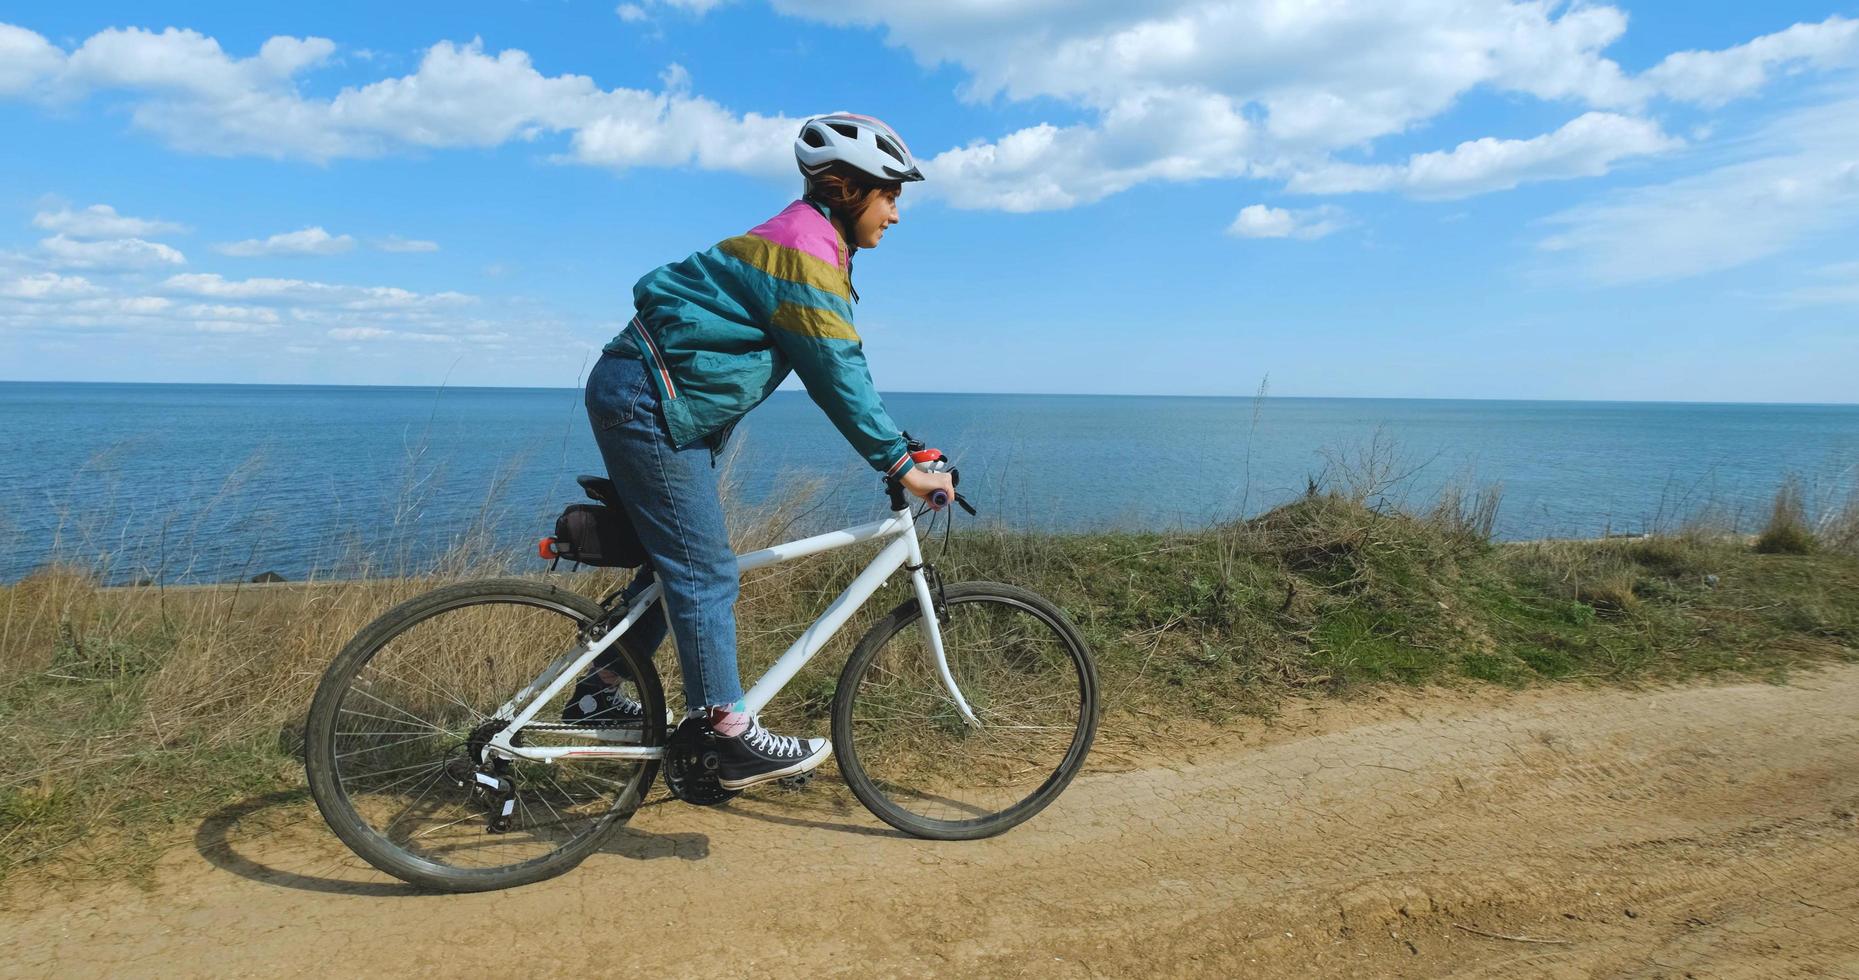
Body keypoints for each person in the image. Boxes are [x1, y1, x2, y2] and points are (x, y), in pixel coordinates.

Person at [574, 113, 955, 790]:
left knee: (678, 566)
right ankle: (725, 733)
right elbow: (835, 368)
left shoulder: (804, 241)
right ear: (844, 188)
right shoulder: (805, 249)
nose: (895, 215)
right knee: (706, 571)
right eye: (890, 196)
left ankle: (597, 692)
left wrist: (900, 447)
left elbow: (836, 366)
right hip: (650, 403)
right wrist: (900, 465)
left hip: (650, 399)